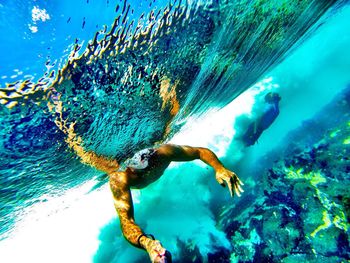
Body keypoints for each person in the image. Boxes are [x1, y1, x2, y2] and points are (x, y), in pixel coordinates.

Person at [96, 144, 243, 263]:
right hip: (112, 159)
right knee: (98, 161)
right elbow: (126, 222)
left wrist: (219, 168)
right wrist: (147, 243)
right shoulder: (119, 177)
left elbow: (199, 151)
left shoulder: (163, 153)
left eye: (146, 161)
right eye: (135, 167)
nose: (141, 166)